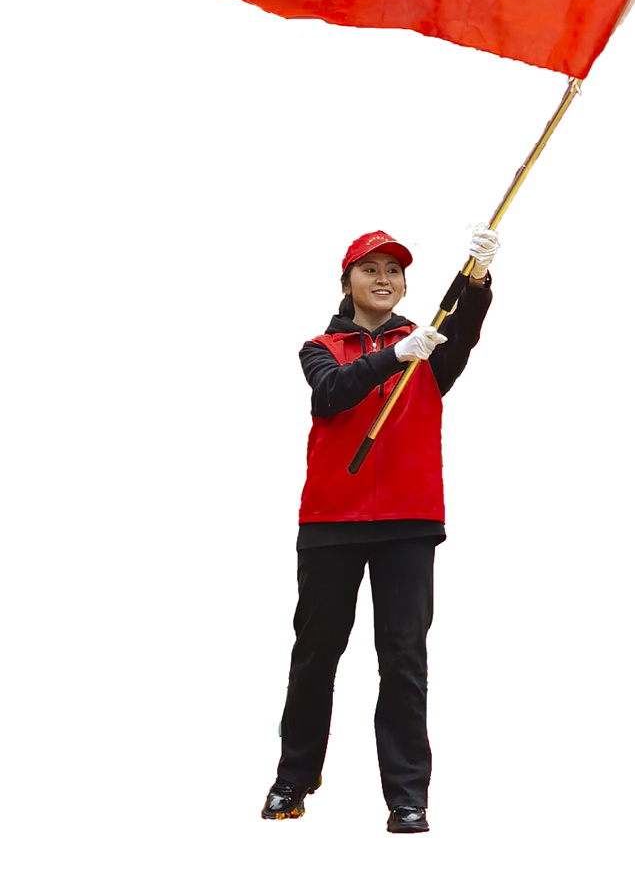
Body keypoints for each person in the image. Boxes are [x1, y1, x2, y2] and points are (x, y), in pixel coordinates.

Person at [261, 226, 499, 833]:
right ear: (347, 282)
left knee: (403, 658)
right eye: (370, 269)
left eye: (394, 270)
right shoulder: (320, 348)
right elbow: (331, 395)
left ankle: (407, 795)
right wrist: (394, 356)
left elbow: (464, 327)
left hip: (409, 520)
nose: (384, 278)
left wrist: (476, 280)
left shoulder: (431, 345)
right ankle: (294, 776)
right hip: (330, 520)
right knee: (315, 654)